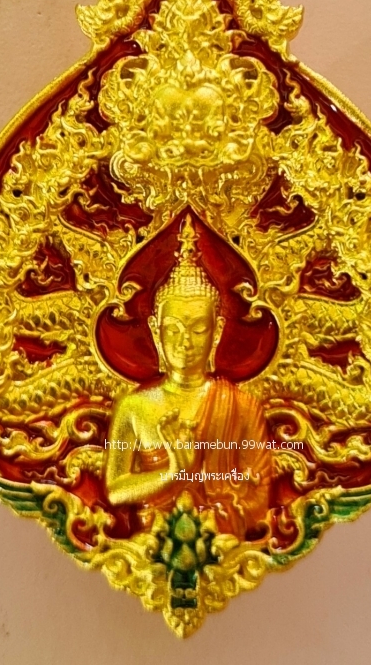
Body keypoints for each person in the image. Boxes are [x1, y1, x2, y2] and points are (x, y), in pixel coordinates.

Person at [105, 215, 271, 539]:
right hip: (149, 543)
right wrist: (172, 473)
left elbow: (259, 495)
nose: (185, 342)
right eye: (173, 330)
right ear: (155, 331)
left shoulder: (242, 407)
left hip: (220, 543)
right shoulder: (134, 407)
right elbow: (115, 490)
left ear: (217, 332)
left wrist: (211, 523)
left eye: (198, 329)